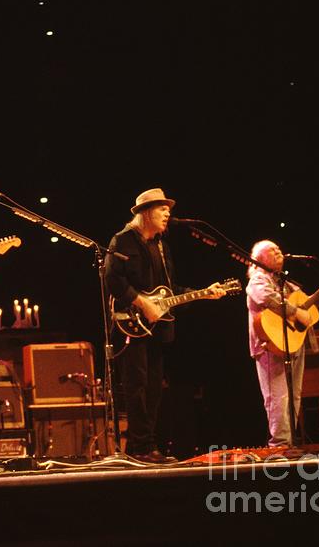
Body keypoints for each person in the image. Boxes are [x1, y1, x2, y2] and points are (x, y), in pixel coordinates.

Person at [105, 188, 225, 463]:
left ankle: (149, 446)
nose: (168, 214)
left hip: (157, 329)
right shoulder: (122, 241)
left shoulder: (162, 246)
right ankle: (140, 448)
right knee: (136, 386)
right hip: (131, 326)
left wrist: (204, 292)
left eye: (168, 210)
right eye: (162, 209)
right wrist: (140, 302)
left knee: (154, 388)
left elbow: (169, 290)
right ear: (146, 212)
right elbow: (113, 279)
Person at [245, 240, 319, 447]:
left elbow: (306, 305)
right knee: (277, 397)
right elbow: (268, 299)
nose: (278, 251)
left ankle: (287, 443)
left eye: (279, 248)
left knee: (293, 396)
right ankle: (279, 445)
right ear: (259, 259)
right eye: (272, 249)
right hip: (269, 343)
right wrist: (296, 312)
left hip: (293, 342)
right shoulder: (257, 280)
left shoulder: (286, 283)